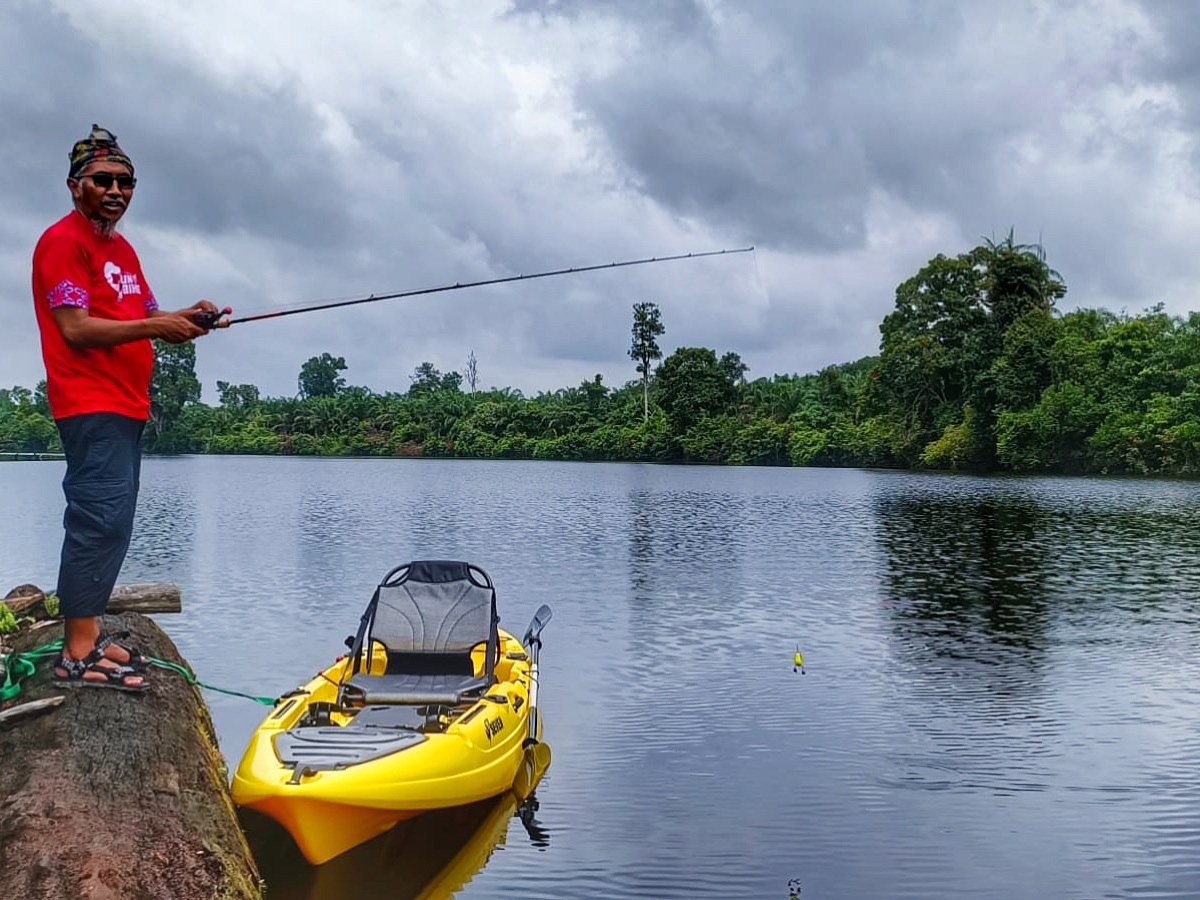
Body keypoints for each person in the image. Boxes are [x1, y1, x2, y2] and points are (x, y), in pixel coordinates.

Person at [31, 124, 229, 691]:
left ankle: (89, 636)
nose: (116, 190)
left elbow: (145, 313)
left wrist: (185, 317)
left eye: (126, 182)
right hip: (89, 404)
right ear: (75, 186)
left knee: (114, 525)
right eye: (103, 180)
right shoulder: (62, 243)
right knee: (96, 519)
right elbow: (75, 328)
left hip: (126, 405)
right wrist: (158, 325)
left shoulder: (123, 250)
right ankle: (75, 655)